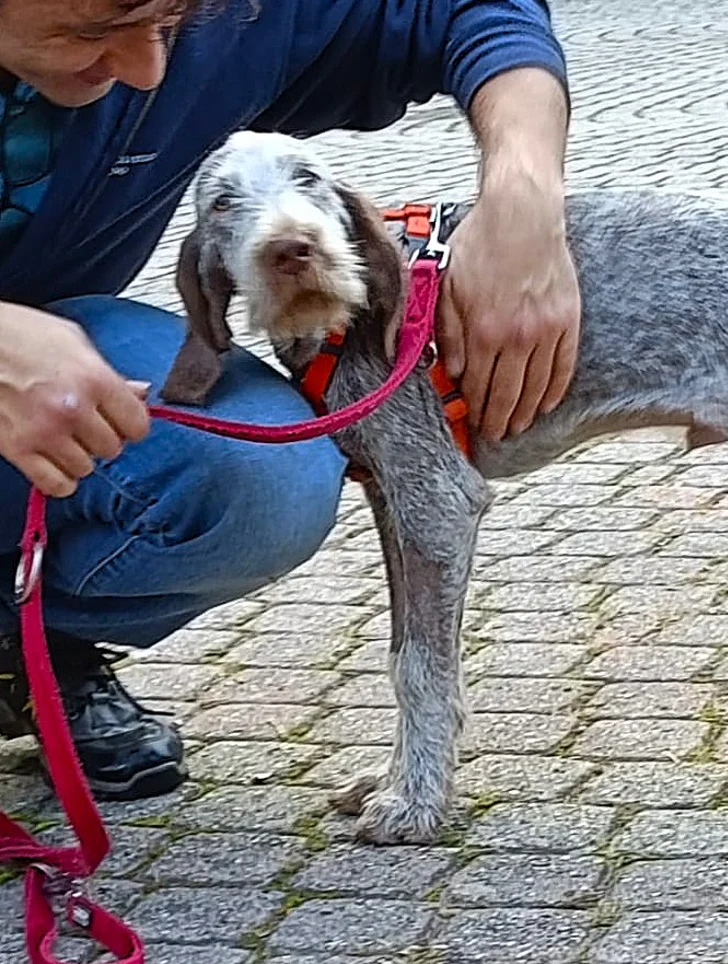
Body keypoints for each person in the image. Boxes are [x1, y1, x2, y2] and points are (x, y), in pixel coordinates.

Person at [0, 0, 578, 801]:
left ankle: (30, 641)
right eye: (92, 33)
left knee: (262, 472)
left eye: (166, 25)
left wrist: (523, 198)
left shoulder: (217, 24)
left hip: (42, 335)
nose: (146, 71)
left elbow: (466, 12)